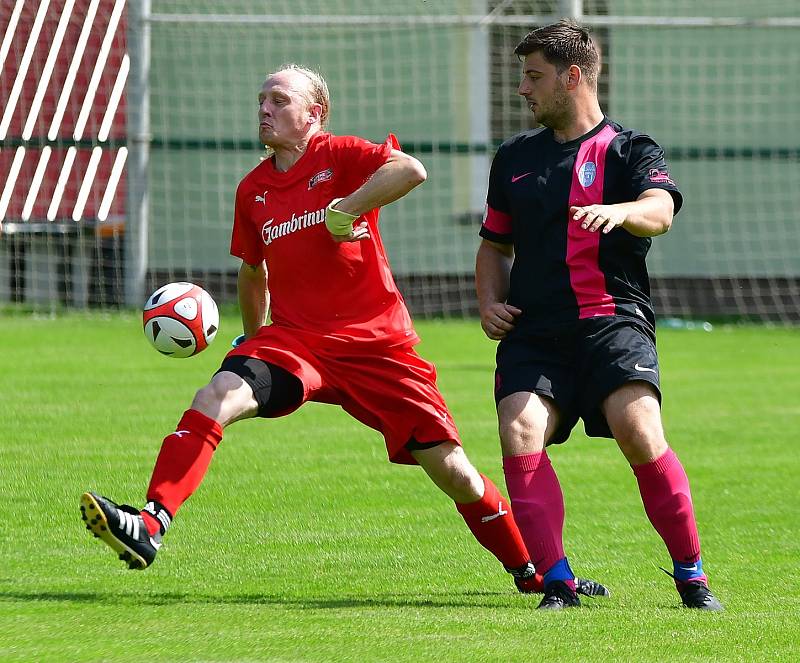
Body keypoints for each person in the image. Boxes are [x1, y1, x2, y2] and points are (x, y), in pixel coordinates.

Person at [81, 63, 608, 601]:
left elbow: (411, 170)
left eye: (280, 101)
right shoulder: (253, 189)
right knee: (217, 394)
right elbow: (252, 270)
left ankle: (531, 571)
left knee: (455, 473)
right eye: (262, 100)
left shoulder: (342, 156)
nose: (264, 109)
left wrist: (347, 209)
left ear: (316, 113)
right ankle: (149, 524)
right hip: (296, 342)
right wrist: (252, 339)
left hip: (377, 347)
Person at [476, 22, 723, 611]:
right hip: (534, 331)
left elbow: (660, 210)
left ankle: (691, 575)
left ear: (573, 76)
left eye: (534, 77)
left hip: (611, 320)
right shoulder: (513, 157)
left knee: (639, 431)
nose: (523, 90)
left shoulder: (631, 150)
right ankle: (557, 582)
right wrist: (488, 301)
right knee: (519, 430)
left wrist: (621, 211)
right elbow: (493, 244)